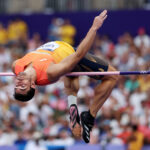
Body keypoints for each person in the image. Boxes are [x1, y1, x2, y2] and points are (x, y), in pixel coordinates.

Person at [12, 10, 119, 143]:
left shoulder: (16, 66)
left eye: (16, 85)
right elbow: (79, 54)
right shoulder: (50, 72)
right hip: (71, 54)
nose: (18, 82)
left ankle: (73, 110)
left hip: (59, 56)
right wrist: (94, 27)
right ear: (33, 85)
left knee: (70, 74)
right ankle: (90, 116)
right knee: (112, 75)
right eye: (22, 87)